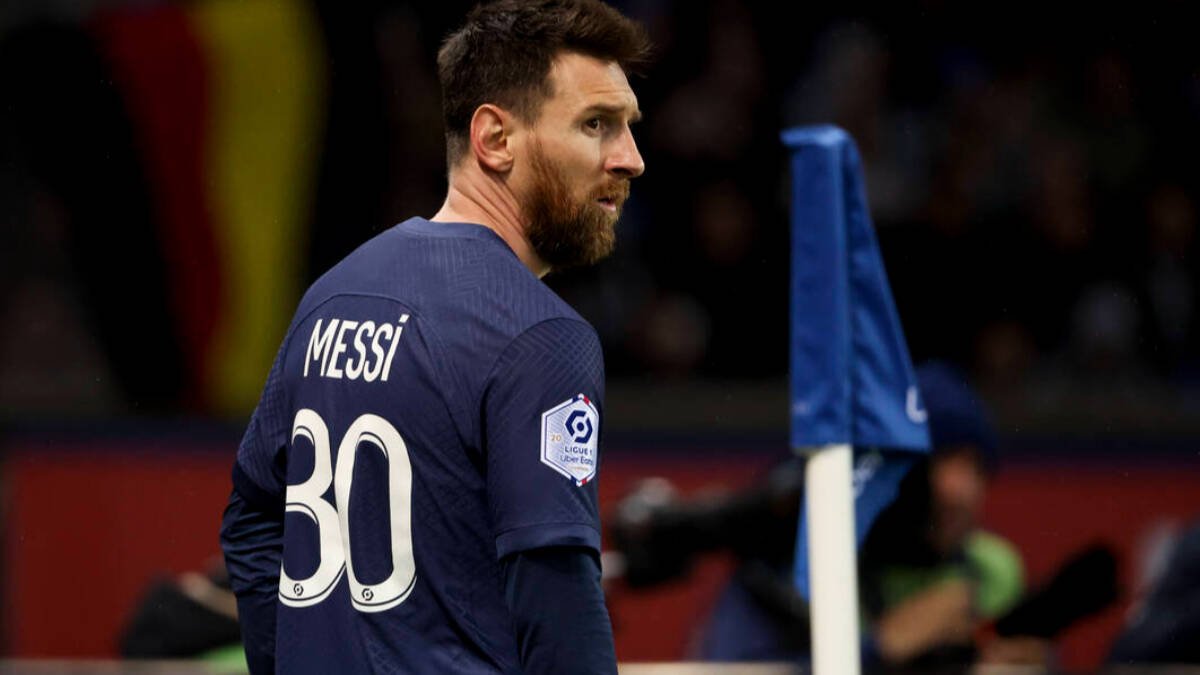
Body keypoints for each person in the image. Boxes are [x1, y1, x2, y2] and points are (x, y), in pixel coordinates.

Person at [219, 2, 650, 673]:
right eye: (597, 125)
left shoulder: (333, 294)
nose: (631, 159)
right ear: (495, 139)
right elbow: (555, 594)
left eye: (628, 128)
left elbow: (251, 523)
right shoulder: (540, 334)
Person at [609, 361, 1029, 668]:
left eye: (977, 468)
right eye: (944, 462)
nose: (963, 490)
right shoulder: (794, 569)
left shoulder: (992, 570)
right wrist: (880, 649)